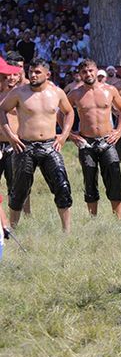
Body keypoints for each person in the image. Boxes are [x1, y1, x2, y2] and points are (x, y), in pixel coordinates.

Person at [0, 58, 73, 231]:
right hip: (25, 146)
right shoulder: (19, 92)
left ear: (47, 74)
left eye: (37, 72)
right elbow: (1, 110)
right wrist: (10, 136)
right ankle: (13, 229)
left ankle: (67, 231)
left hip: (50, 146)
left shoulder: (57, 92)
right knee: (19, 191)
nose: (33, 75)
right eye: (31, 71)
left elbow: (69, 112)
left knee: (62, 187)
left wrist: (64, 136)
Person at [67, 59, 121, 219]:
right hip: (86, 142)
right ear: (80, 75)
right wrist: (71, 134)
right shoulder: (75, 94)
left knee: (114, 177)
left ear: (96, 71)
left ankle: (117, 219)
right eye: (84, 72)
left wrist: (119, 131)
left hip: (107, 140)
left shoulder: (110, 90)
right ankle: (93, 219)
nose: (88, 74)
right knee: (89, 180)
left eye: (90, 71)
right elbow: (61, 113)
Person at [0, 56, 31, 215]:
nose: (11, 78)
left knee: (18, 184)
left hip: (16, 144)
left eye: (14, 75)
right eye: (8, 75)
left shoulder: (21, 93)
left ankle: (26, 215)